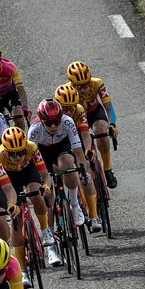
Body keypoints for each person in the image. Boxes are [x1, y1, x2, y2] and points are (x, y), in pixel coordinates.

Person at [28, 98, 100, 233]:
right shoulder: (34, 131)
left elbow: (78, 152)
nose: (54, 126)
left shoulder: (67, 122)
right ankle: (50, 236)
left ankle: (74, 204)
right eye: (49, 123)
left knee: (67, 164)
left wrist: (83, 172)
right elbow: (31, 162)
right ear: (42, 121)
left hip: (62, 146)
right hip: (42, 152)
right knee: (47, 194)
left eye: (56, 121)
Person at [0, 127, 59, 267]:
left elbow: (46, 175)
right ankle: (22, 270)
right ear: (6, 152)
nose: (17, 157)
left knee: (36, 194)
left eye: (20, 152)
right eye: (13, 154)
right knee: (16, 218)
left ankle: (45, 230)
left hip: (28, 172)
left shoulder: (32, 147)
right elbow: (1, 186)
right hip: (10, 178)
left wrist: (47, 187)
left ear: (26, 148)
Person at [62, 60, 119, 189]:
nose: (83, 89)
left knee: (101, 130)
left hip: (94, 113)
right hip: (77, 118)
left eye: (86, 84)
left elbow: (108, 107)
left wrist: (112, 124)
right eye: (79, 86)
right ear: (72, 84)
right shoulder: (67, 91)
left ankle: (108, 168)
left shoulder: (97, 83)